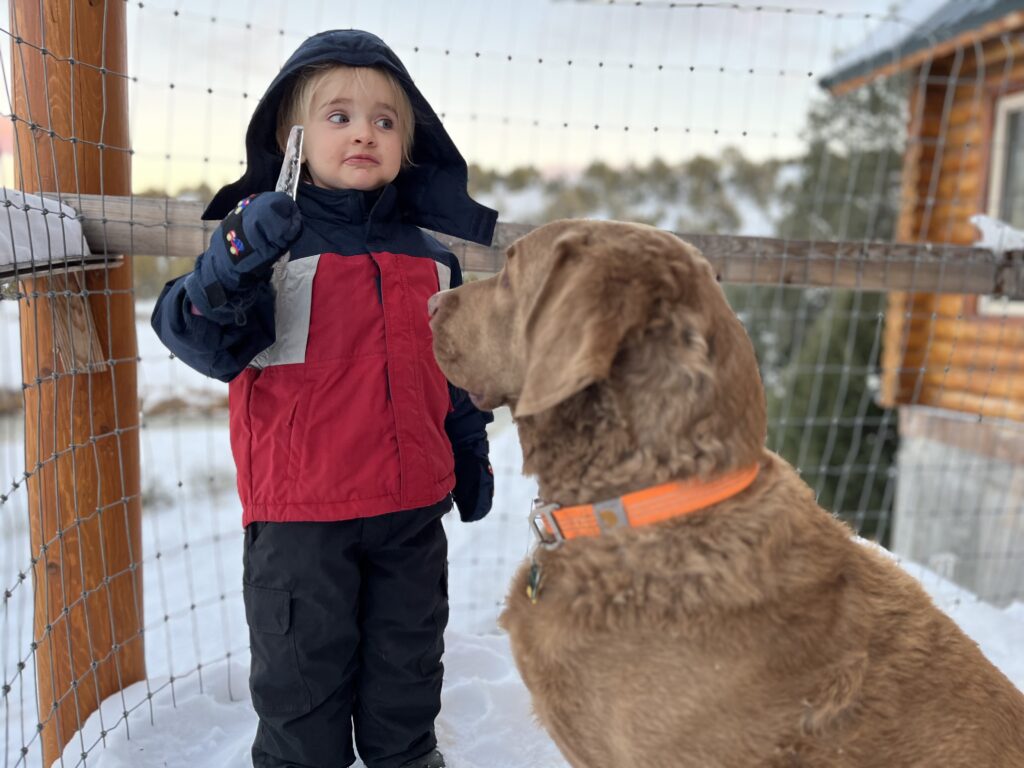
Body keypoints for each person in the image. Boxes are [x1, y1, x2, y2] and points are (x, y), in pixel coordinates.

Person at [151, 29, 498, 768]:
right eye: (339, 116)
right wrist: (235, 258)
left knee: (407, 684)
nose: (365, 132)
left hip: (411, 519)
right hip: (301, 529)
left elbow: (454, 375)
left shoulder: (431, 259)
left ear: (410, 140)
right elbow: (198, 339)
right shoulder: (265, 245)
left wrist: (470, 453)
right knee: (301, 701)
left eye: (385, 119)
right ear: (292, 136)